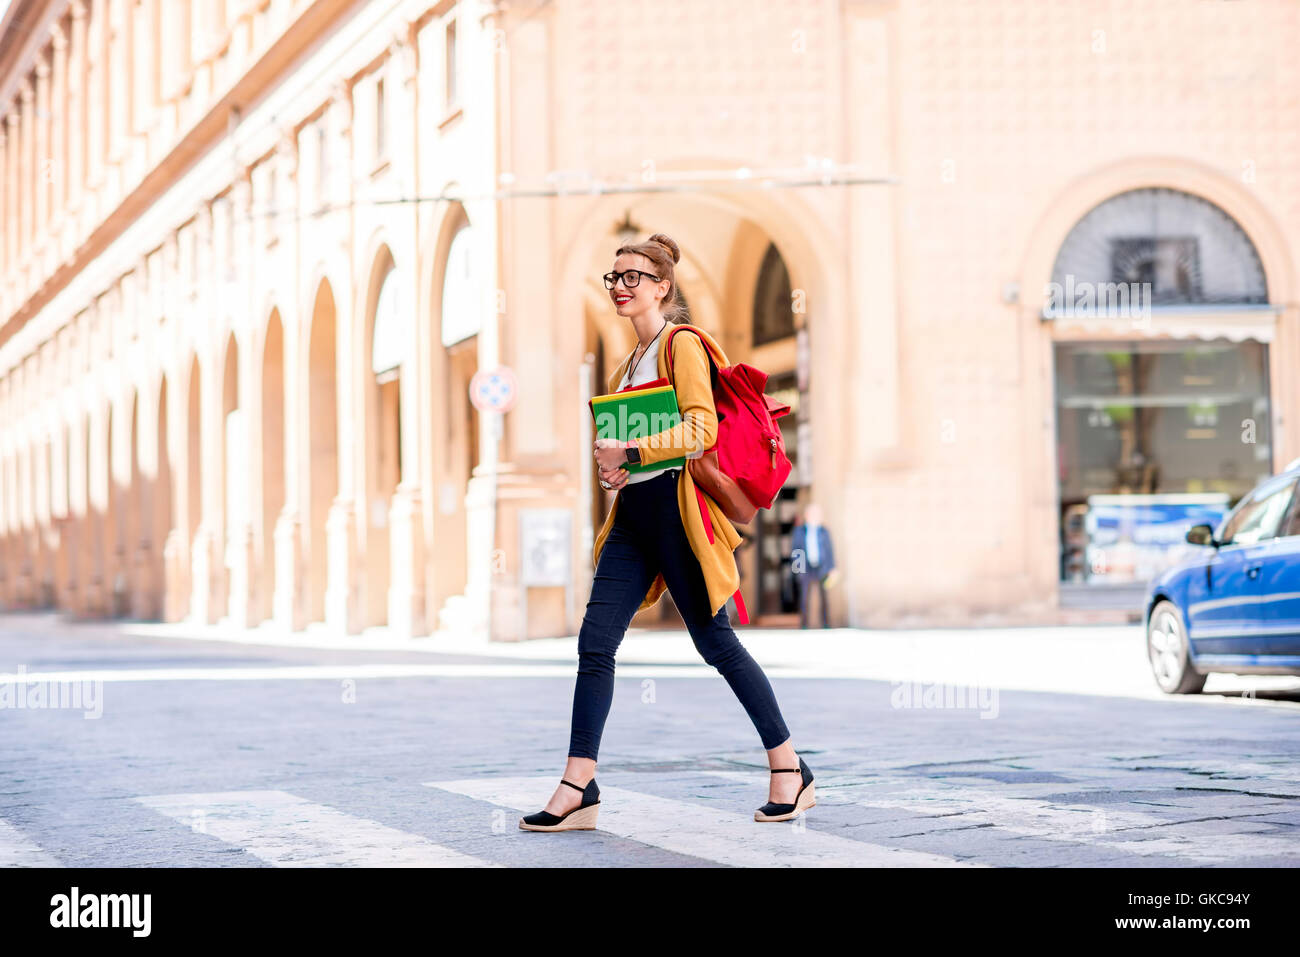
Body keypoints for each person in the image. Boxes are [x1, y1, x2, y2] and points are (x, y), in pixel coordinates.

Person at [519, 233, 815, 831]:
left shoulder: (681, 344)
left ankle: (789, 767)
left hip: (678, 517)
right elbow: (639, 448)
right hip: (632, 519)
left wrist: (630, 447)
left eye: (633, 277)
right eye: (614, 278)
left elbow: (701, 430)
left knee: (715, 642)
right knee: (595, 644)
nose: (621, 287)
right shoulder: (630, 360)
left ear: (662, 286)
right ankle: (579, 785)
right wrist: (616, 466)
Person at [791, 503, 835, 629]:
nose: (816, 516)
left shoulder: (824, 531)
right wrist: (797, 569)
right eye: (813, 514)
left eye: (817, 514)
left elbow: (829, 550)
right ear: (807, 515)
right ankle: (803, 624)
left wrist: (832, 568)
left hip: (822, 567)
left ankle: (826, 624)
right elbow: (796, 551)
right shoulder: (799, 531)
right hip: (806, 567)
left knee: (824, 597)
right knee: (804, 597)